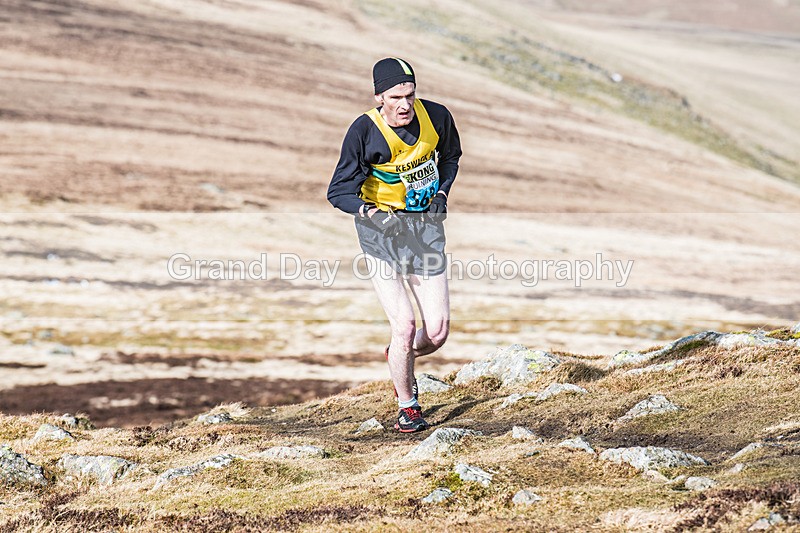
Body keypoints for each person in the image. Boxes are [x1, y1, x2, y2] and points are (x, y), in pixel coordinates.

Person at [327, 57, 462, 433]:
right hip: (380, 236)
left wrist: (442, 195)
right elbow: (338, 191)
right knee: (404, 326)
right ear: (379, 97)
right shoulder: (363, 131)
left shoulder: (437, 116)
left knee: (436, 333)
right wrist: (371, 213)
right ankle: (408, 407)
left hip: (425, 232)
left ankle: (397, 356)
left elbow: (450, 158)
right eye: (395, 97)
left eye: (410, 95)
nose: (405, 104)